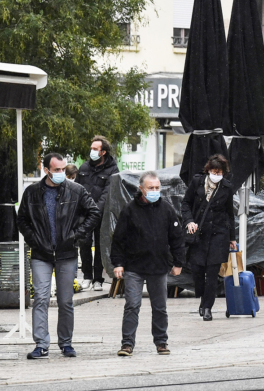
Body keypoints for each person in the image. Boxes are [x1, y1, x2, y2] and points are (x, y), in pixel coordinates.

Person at [16, 153, 101, 360]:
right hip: (41, 254)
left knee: (65, 301)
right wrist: (33, 239)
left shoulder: (77, 190)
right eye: (57, 170)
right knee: (41, 299)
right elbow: (22, 219)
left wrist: (77, 236)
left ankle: (66, 343)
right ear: (46, 170)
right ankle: (41, 344)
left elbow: (94, 213)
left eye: (63, 169)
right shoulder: (32, 192)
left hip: (67, 253)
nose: (61, 173)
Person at [111, 171, 185, 356]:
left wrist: (178, 262)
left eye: (157, 188)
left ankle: (161, 342)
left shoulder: (167, 210)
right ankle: (127, 344)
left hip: (158, 267)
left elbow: (176, 238)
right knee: (132, 305)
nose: (154, 191)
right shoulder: (129, 210)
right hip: (134, 267)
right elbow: (118, 239)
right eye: (150, 188)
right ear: (141, 189)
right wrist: (118, 263)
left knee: (160, 307)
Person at [182, 154, 236, 321]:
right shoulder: (197, 182)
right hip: (198, 233)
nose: (216, 174)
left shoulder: (227, 187)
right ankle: (202, 298)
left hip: (219, 234)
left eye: (219, 172)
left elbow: (230, 214)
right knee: (197, 270)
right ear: (208, 170)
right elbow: (185, 203)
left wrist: (232, 238)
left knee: (212, 272)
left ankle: (207, 307)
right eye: (214, 171)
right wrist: (189, 221)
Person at [76, 135, 119, 292]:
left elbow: (108, 193)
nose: (92, 151)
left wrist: (95, 210)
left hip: (102, 215)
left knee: (100, 247)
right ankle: (87, 277)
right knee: (84, 244)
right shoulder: (84, 167)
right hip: (84, 214)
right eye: (91, 148)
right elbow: (78, 189)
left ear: (104, 152)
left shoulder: (112, 169)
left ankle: (98, 279)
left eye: (95, 149)